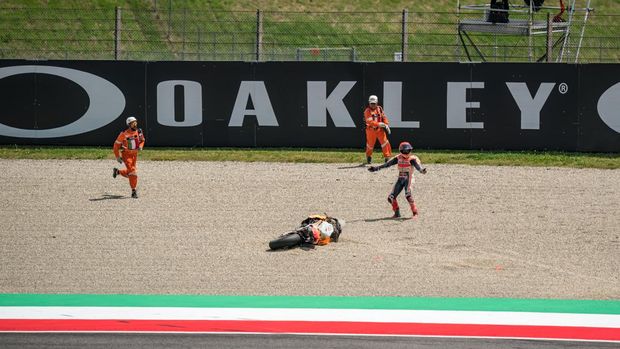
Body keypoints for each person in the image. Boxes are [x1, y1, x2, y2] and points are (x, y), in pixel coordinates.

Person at [368, 141, 427, 218]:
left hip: (409, 178)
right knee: (391, 197)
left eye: (408, 150)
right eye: (404, 151)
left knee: (408, 195)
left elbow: (418, 166)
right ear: (401, 151)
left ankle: (415, 212)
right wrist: (376, 168)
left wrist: (422, 170)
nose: (406, 152)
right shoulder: (398, 158)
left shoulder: (412, 159)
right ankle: (397, 213)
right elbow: (387, 164)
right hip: (400, 178)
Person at [112, 116, 145, 198]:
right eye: (133, 123)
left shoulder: (139, 131)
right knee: (133, 172)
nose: (135, 124)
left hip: (135, 155)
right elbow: (116, 146)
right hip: (126, 155)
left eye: (136, 122)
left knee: (130, 172)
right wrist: (117, 157)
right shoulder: (123, 134)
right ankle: (133, 191)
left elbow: (142, 140)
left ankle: (117, 172)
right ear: (129, 124)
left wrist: (141, 146)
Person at [364, 95, 392, 164]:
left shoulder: (380, 108)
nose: (373, 105)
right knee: (370, 145)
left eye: (374, 103)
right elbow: (370, 122)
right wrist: (379, 124)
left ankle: (387, 158)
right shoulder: (367, 111)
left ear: (377, 103)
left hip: (380, 130)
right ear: (369, 103)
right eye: (371, 103)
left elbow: (384, 117)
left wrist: (386, 124)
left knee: (385, 143)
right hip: (371, 130)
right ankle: (369, 156)